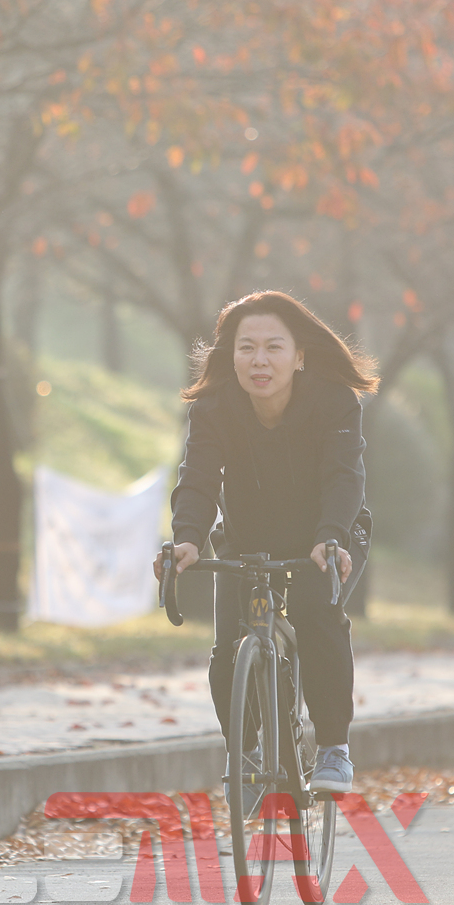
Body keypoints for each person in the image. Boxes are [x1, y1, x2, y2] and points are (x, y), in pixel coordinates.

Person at [154, 291, 375, 794]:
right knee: (228, 649)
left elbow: (344, 478)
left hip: (329, 533)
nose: (259, 360)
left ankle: (333, 748)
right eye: (246, 348)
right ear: (230, 356)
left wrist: (330, 537)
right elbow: (198, 479)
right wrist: (187, 540)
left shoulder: (334, 400)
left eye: (274, 347)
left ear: (299, 356)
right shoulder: (214, 408)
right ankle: (249, 750)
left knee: (317, 613)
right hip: (247, 537)